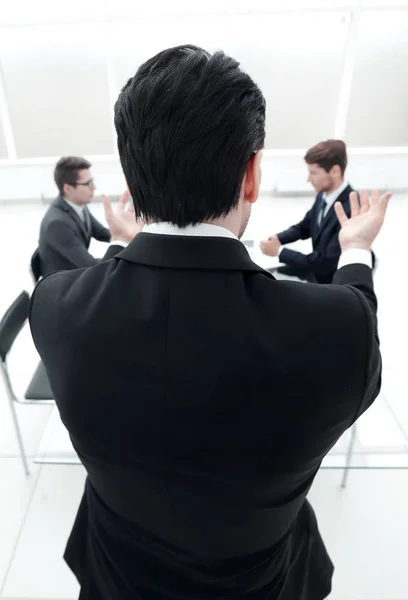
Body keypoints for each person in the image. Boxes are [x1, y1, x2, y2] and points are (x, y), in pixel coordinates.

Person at [29, 46, 390, 600]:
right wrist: (357, 253)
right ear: (251, 175)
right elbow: (359, 322)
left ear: (132, 172)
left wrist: (126, 240)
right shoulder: (335, 330)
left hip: (116, 572)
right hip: (264, 582)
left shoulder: (55, 308)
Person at [260, 140, 353, 283]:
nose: (308, 179)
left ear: (334, 171)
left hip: (332, 284)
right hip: (318, 274)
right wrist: (278, 238)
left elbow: (325, 264)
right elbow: (305, 226)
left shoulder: (351, 209)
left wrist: (279, 252)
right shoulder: (324, 194)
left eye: (313, 173)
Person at [37, 156, 142, 276]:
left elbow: (101, 233)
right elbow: (93, 266)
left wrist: (129, 234)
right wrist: (122, 243)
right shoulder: (57, 224)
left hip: (76, 273)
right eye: (88, 183)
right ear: (68, 188)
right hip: (65, 286)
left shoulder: (77, 205)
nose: (94, 187)